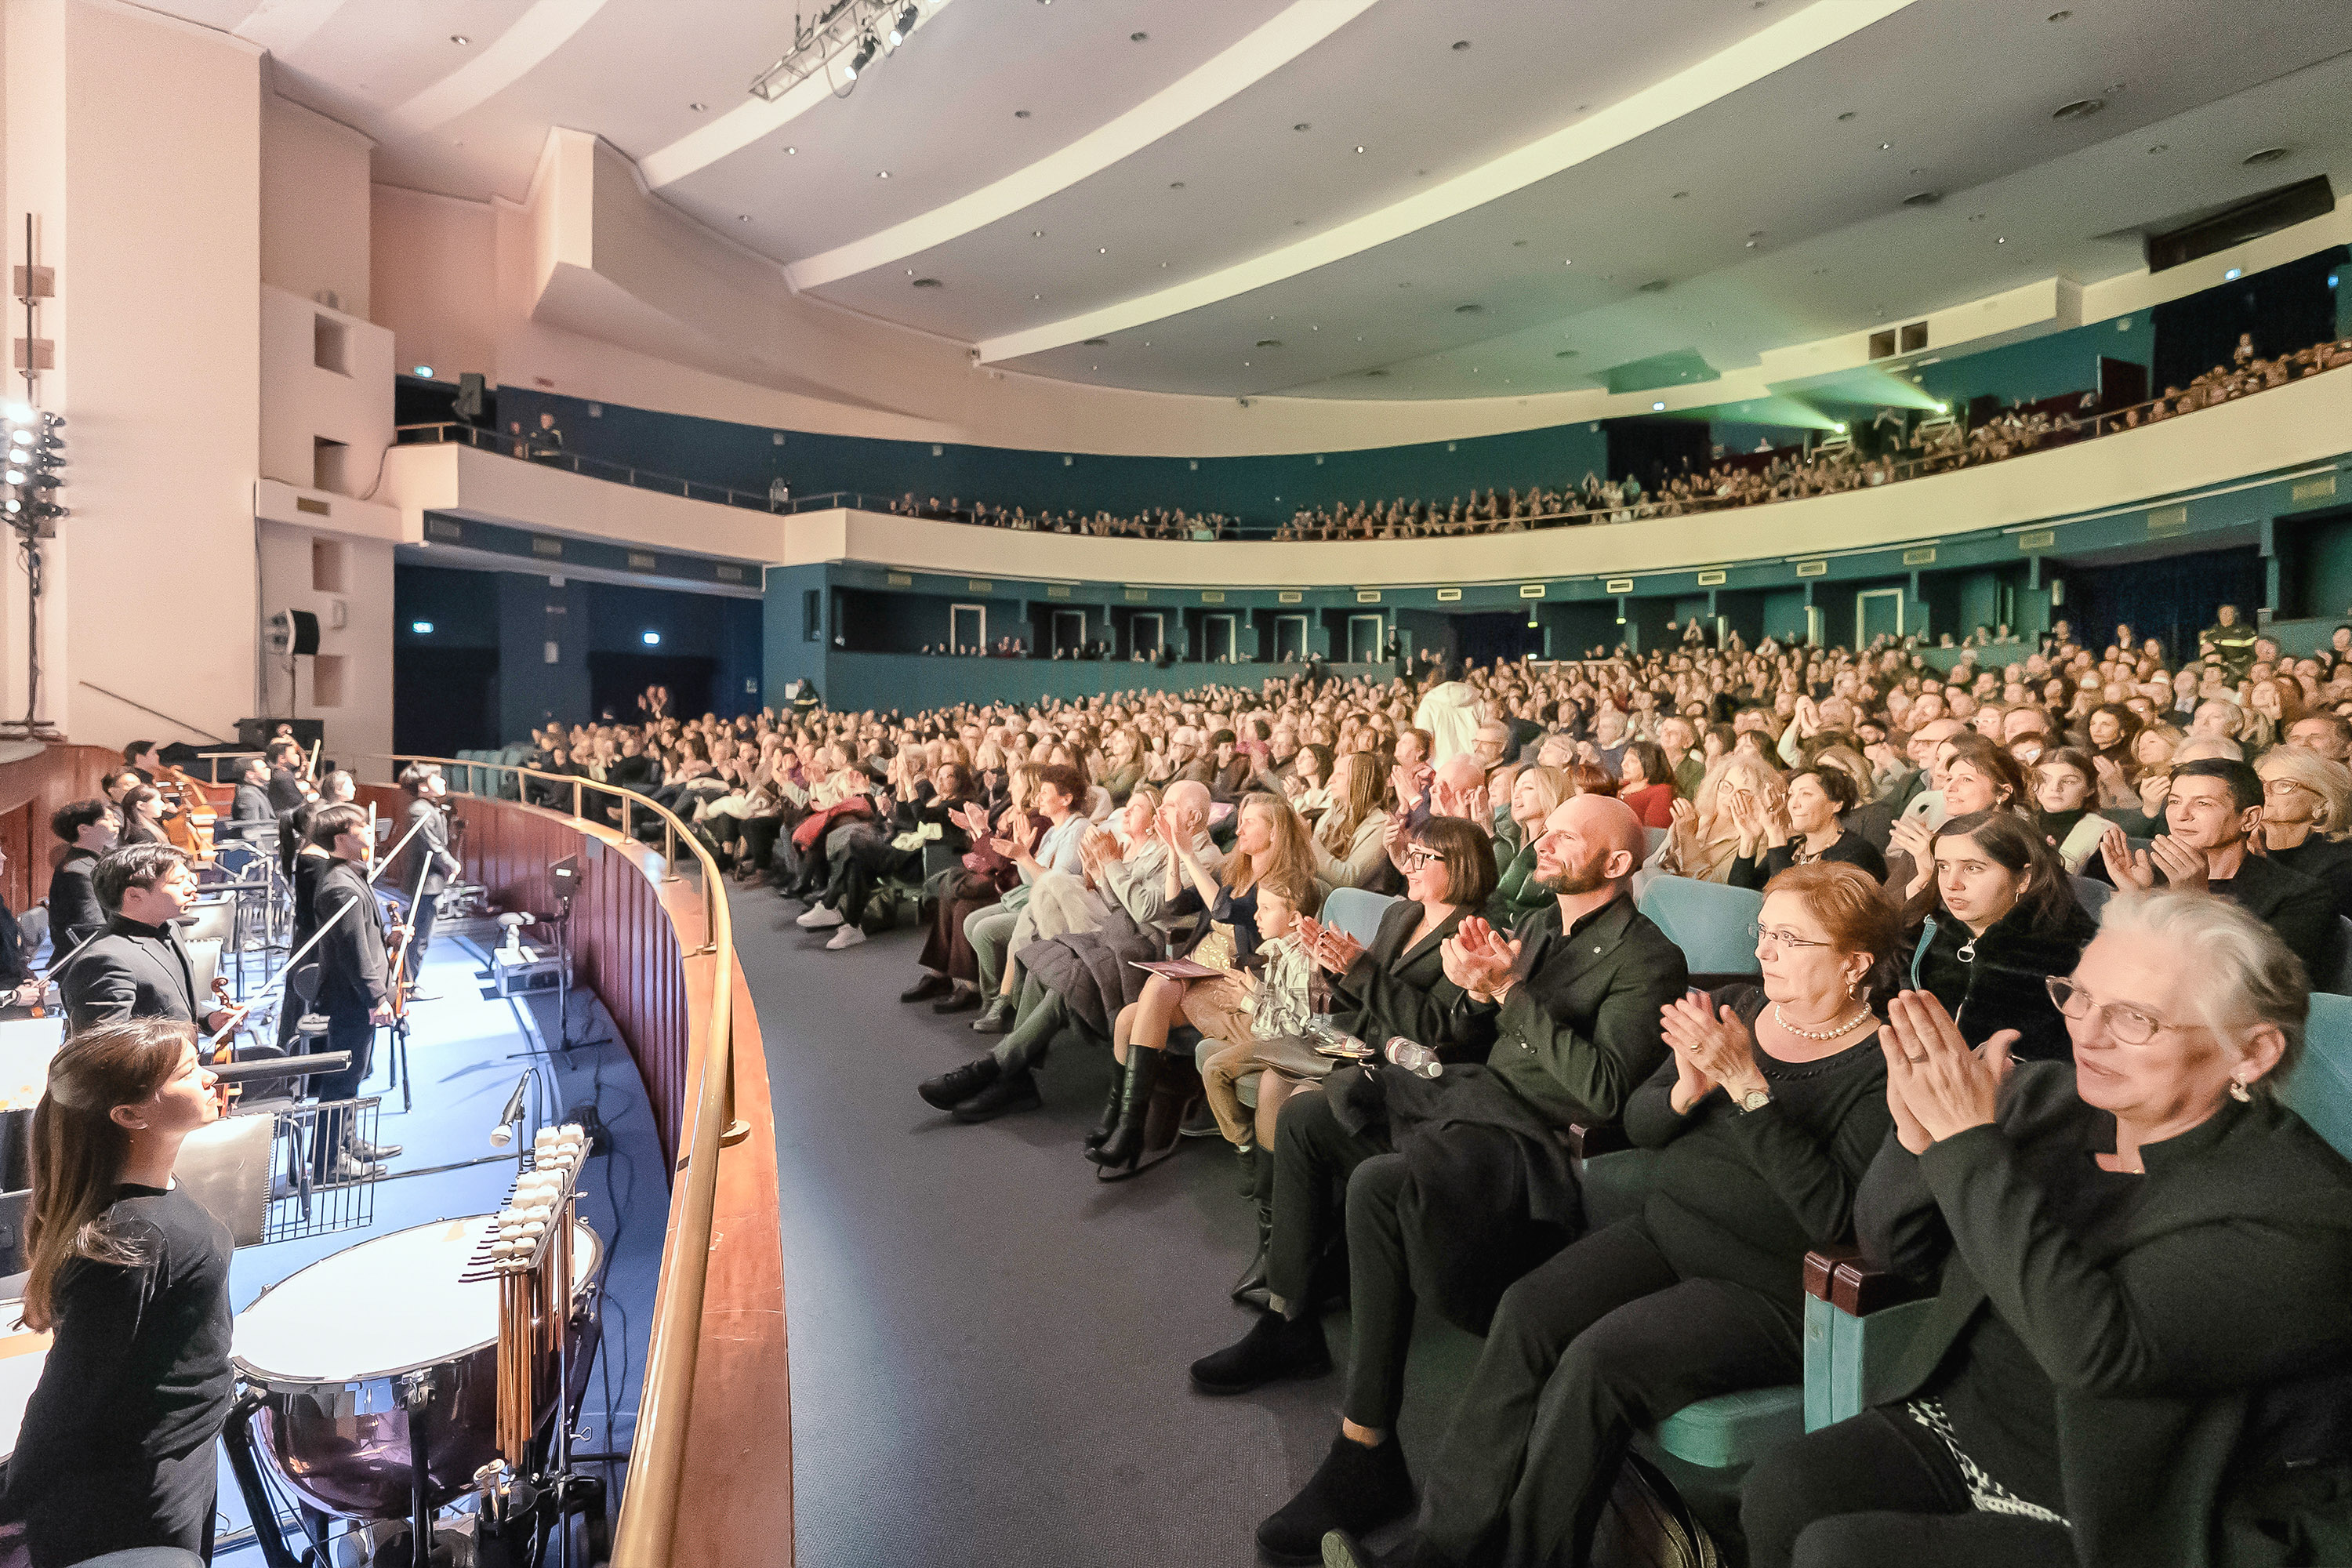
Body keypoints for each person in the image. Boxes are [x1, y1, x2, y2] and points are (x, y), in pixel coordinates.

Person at [1743, 893, 2352, 1568]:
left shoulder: (2306, 1212)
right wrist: (1917, 1141)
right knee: (1782, 1486)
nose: (2085, 1033)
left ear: (2252, 1053)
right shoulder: (2047, 1098)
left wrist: (1967, 1144)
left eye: (2134, 1018)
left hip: (2116, 1507)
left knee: (1843, 1554)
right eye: (2079, 996)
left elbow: (2096, 1354)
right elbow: (1898, 1249)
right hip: (1965, 1424)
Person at [1326, 863, 1899, 1568]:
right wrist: (1685, 1092)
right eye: (1764, 931)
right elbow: (1639, 1121)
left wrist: (1749, 1090)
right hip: (1668, 1232)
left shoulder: (1883, 1064)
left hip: (1767, 1285)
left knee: (1599, 1365)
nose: (1764, 951)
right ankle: (1444, 1548)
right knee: (1527, 1311)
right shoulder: (1744, 1007)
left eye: (1789, 938)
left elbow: (1833, 1216)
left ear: (1856, 962)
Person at [1189, 794, 1688, 1563]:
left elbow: (1604, 1090)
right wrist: (1473, 982)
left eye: (1563, 834)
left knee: (1378, 1184)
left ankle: (1367, 1446)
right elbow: (1462, 1031)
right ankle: (1290, 1321)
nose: (1541, 841)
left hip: (1525, 1132)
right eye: (1543, 828)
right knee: (1309, 1118)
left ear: (1618, 862)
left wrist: (1506, 993)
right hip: (1467, 1090)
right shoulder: (1542, 925)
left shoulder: (1648, 957)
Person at [2, 1017, 231, 1567]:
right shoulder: (131, 1240)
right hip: (136, 1496)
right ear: (129, 1115)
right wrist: (13, 1504)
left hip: (180, 1451)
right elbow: (69, 1397)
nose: (207, 1077)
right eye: (186, 1071)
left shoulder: (151, 1196)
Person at [1087, 791, 1319, 1171]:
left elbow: (1227, 914)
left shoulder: (1283, 885)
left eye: (1249, 822)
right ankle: (1121, 1122)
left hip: (1232, 983)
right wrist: (1176, 856)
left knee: (1157, 989)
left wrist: (1190, 853)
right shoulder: (1236, 871)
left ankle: (1129, 1130)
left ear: (1275, 832)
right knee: (1128, 1020)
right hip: (1198, 972)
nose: (1238, 829)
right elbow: (1176, 905)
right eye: (1239, 819)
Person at [2099, 757, 2340, 983]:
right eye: (2174, 801)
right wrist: (2134, 897)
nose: (2181, 816)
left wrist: (2196, 901)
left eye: (2203, 803)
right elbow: (2120, 966)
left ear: (2249, 818)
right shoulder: (2152, 878)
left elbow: (2259, 985)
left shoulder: (2301, 895)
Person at [1908, 811, 2096, 1062]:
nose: (1952, 883)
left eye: (1972, 868)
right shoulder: (1922, 932)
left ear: (2023, 878)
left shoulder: (2066, 954)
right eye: (1943, 866)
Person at [303, 804, 401, 1181]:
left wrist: (389, 936)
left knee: (354, 1073)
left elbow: (364, 936)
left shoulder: (348, 875)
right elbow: (352, 950)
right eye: (361, 824)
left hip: (356, 994)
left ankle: (347, 1142)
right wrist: (377, 996)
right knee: (343, 1077)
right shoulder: (339, 886)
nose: (369, 828)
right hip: (352, 997)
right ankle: (329, 1162)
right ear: (342, 838)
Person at [58, 844, 241, 1036]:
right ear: (134, 895)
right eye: (178, 882)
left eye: (190, 879)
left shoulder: (171, 929)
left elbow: (170, 1006)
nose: (192, 888)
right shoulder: (104, 960)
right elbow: (103, 1048)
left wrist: (208, 1020)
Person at [1728, 764, 1887, 889]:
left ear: (1836, 804)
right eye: (1791, 795)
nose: (1794, 804)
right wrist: (1749, 839)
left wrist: (1776, 834)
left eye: (1806, 794)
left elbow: (1791, 901)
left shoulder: (1856, 853)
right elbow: (1741, 896)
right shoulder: (1794, 846)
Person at [2254, 743, 2352, 920]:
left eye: (2284, 785)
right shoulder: (2243, 845)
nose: (2265, 792)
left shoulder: (2341, 861)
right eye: (2260, 783)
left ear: (2321, 804)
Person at [392, 762, 461, 996]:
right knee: (418, 936)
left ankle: (409, 983)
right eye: (436, 778)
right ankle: (408, 987)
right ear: (422, 787)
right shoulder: (419, 810)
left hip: (431, 881)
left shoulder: (428, 807)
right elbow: (432, 845)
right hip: (425, 882)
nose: (443, 782)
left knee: (422, 936)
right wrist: (451, 863)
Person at [45, 798, 117, 959]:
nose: (117, 823)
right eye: (107, 819)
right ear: (84, 829)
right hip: (88, 962)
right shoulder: (77, 871)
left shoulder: (101, 859)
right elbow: (91, 928)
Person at [2029, 746, 2110, 872]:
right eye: (2044, 780)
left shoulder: (2101, 832)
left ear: (2090, 789)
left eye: (2068, 781)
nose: (2055, 788)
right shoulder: (2021, 824)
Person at [1616, 739, 1677, 828]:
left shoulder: (1661, 792)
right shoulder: (1620, 785)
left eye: (1632, 761)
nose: (1623, 764)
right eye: (1624, 759)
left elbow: (1656, 834)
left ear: (1650, 765)